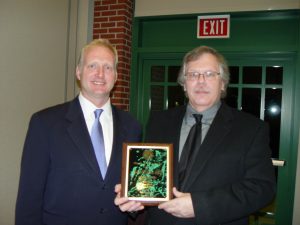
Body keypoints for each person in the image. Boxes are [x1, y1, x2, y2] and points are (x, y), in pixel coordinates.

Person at [115, 46, 276, 225]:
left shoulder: (251, 129)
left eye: (209, 74)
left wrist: (199, 206)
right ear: (184, 84)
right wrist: (135, 193)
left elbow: (262, 188)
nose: (200, 81)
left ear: (222, 82)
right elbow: (150, 173)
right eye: (192, 75)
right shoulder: (159, 121)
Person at [15, 39, 142, 225]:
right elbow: (29, 197)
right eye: (92, 65)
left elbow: (135, 190)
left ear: (115, 76)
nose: (100, 74)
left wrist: (136, 202)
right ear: (78, 72)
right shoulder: (44, 124)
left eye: (108, 67)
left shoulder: (132, 126)